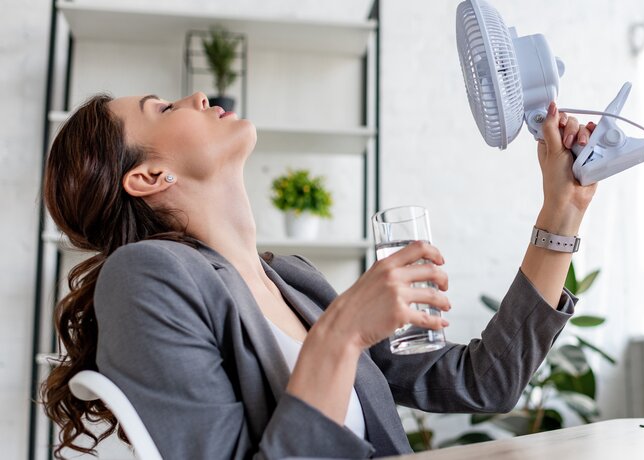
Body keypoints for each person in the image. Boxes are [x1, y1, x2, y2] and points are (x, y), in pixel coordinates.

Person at [40, 91, 597, 459]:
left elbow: (484, 382)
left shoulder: (293, 282)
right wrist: (343, 331)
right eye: (162, 109)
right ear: (149, 175)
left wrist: (562, 208)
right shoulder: (142, 275)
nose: (198, 98)